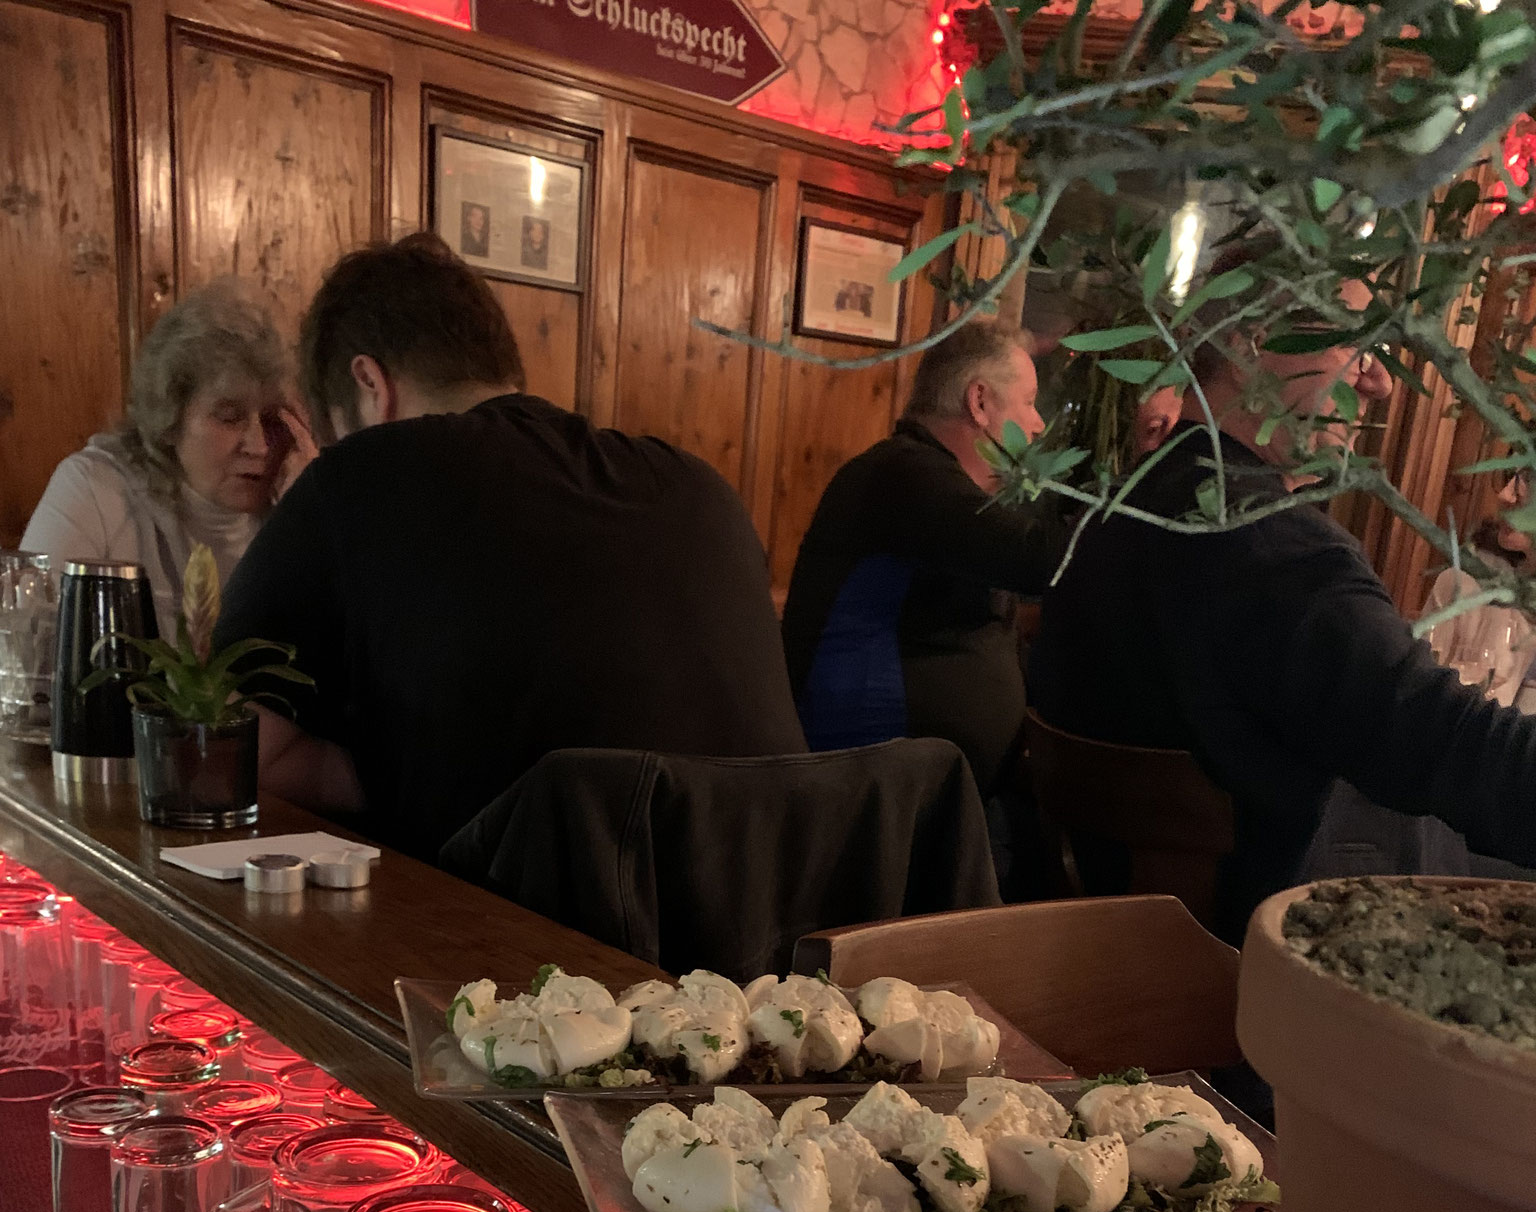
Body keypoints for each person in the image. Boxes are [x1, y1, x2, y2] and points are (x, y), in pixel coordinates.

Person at [215, 233, 804, 861]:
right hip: (783, 901)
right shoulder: (699, 486)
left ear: (369, 385)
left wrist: (397, 770)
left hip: (543, 917)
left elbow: (237, 748)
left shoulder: (361, 473)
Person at [1027, 270, 1536, 941]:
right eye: (1356, 344)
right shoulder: (1277, 555)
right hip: (1260, 958)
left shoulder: (1119, 508)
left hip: (1098, 933)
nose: (1379, 383)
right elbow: (1461, 751)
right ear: (1248, 344)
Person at [780, 319, 1063, 805]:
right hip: (873, 797)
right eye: (1029, 402)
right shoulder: (903, 476)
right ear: (979, 402)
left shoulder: (926, 480)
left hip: (928, 795)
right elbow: (1037, 558)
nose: (1038, 424)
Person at [23, 281, 309, 636]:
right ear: (171, 419)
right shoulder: (95, 489)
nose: (260, 446)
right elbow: (28, 644)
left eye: (271, 418)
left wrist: (310, 516)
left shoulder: (296, 507)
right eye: (229, 417)